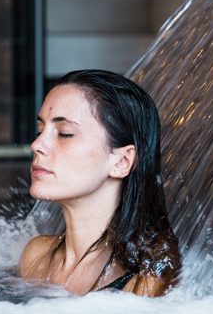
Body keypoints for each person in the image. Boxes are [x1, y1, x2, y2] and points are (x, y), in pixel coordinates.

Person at [19, 69, 181, 297]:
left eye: (64, 133)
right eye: (40, 130)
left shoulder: (144, 284)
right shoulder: (35, 257)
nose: (37, 144)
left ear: (122, 162)